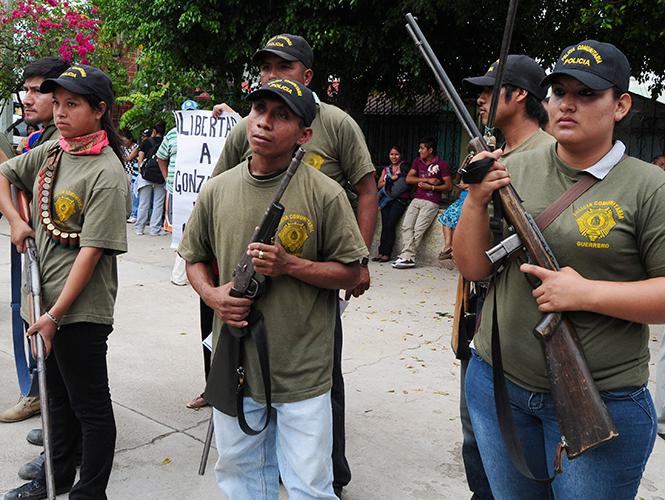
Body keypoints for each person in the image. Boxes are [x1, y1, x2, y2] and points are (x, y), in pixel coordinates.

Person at [454, 40, 665, 499]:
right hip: (497, 385)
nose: (567, 104)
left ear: (621, 105)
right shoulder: (511, 166)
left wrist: (584, 293)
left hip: (603, 398)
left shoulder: (650, 187)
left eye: (587, 94)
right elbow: (473, 266)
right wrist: (475, 199)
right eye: (558, 91)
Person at [179, 78, 367, 499]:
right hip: (235, 361)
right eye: (259, 110)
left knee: (309, 486)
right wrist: (212, 296)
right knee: (241, 478)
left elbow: (352, 273)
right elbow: (192, 258)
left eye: (281, 115)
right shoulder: (217, 189)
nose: (264, 122)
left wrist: (290, 265)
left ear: (304, 135)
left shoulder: (326, 193)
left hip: (301, 368)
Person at [0, 64, 129, 500]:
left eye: (71, 104)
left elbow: (91, 253)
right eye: (56, 102)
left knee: (89, 408)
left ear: (99, 110)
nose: (59, 112)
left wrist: (55, 314)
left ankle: (88, 493)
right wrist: (17, 220)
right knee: (55, 401)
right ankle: (52, 480)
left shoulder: (107, 174)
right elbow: (5, 174)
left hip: (78, 312)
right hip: (40, 304)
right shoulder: (56, 150)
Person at [454, 54, 554, 500]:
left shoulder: (546, 157)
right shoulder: (494, 153)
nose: (480, 97)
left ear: (519, 97)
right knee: (477, 442)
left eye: (491, 90)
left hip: (523, 333)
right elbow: (470, 256)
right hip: (481, 318)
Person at [0, 56, 70, 425]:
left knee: (57, 343)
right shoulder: (43, 138)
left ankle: (57, 422)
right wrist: (14, 219)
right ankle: (41, 399)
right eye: (24, 90)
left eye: (37, 90)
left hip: (57, 263)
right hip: (32, 246)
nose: (27, 98)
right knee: (28, 320)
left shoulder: (65, 143)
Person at [157, 99, 199, 288]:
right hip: (177, 190)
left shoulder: (205, 135)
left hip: (199, 189)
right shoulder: (173, 134)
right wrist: (168, 178)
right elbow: (161, 157)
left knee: (198, 229)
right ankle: (180, 273)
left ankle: (190, 272)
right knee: (181, 231)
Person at [392, 137, 451, 269]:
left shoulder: (442, 165)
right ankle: (407, 257)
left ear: (430, 150)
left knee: (419, 229)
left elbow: (448, 186)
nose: (419, 151)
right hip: (417, 198)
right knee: (406, 226)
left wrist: (432, 188)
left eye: (422, 148)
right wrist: (429, 180)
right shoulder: (417, 161)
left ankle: (407, 257)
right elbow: (408, 178)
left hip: (431, 201)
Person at [374, 146, 410, 262]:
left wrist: (394, 180)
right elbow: (379, 184)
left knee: (390, 224)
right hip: (387, 197)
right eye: (391, 154)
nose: (394, 157)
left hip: (399, 200)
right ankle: (381, 252)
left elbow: (406, 184)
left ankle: (387, 253)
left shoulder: (404, 167)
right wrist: (389, 180)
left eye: (396, 154)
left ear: (401, 155)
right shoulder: (386, 169)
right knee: (385, 225)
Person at [135, 122, 165, 236]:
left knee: (143, 203)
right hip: (160, 176)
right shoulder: (165, 142)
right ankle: (155, 229)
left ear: (154, 131)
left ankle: (139, 228)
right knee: (158, 203)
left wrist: (140, 171)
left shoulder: (147, 142)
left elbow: (140, 158)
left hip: (146, 175)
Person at [436, 176, 467, 260]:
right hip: (456, 208)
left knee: (454, 221)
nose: (460, 184)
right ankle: (448, 245)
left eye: (463, 182)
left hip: (464, 209)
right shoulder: (463, 191)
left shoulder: (474, 191)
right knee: (446, 219)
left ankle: (452, 249)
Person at [120, 129, 139, 223]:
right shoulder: (123, 148)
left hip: (132, 173)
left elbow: (129, 158)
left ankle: (132, 213)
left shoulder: (136, 147)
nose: (124, 142)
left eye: (125, 140)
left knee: (131, 194)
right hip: (124, 172)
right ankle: (126, 212)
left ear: (130, 139)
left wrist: (119, 156)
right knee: (125, 193)